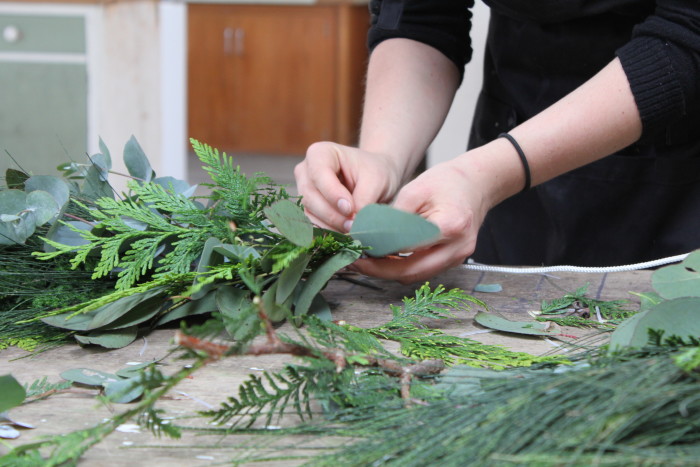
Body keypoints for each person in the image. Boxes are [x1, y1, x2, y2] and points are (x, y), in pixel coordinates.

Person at [294, 0, 700, 284]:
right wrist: (384, 155)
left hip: (676, 172)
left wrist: (489, 173)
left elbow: (688, 35)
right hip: (508, 133)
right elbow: (420, 16)